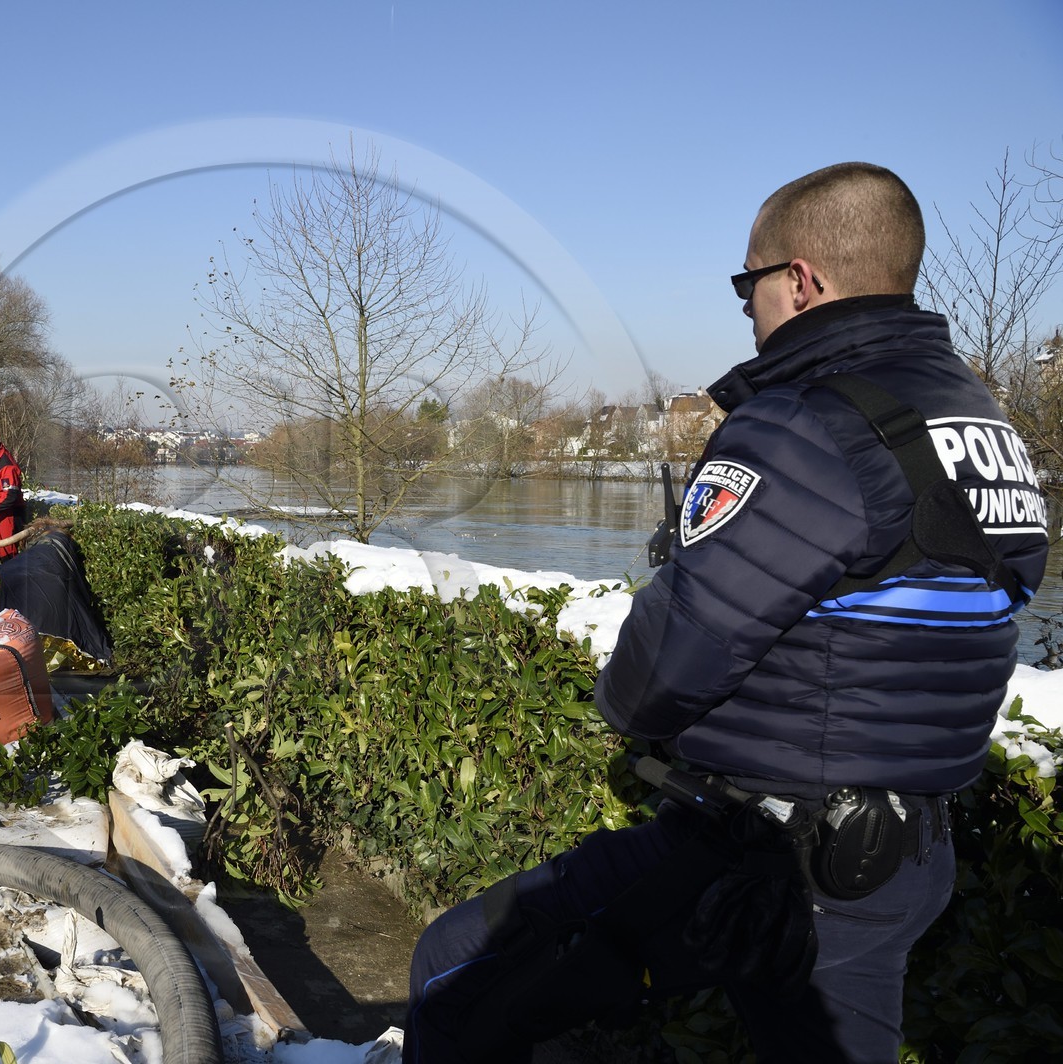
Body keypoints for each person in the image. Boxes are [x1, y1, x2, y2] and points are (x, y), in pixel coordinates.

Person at [404, 163, 1050, 1064]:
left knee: (457, 976)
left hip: (768, 853)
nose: (744, 309)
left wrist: (630, 691)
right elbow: (994, 598)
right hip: (900, 859)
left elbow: (664, 668)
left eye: (747, 284)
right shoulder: (983, 425)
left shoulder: (805, 423)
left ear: (800, 279)